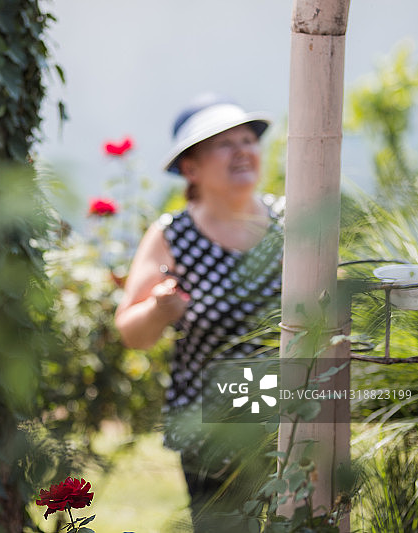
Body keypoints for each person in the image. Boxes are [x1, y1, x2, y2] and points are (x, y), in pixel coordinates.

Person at [114, 94, 283, 531]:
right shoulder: (174, 235)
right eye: (225, 144)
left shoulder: (290, 221)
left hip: (290, 414)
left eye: (248, 140)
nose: (243, 151)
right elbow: (131, 332)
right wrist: (159, 310)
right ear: (191, 168)